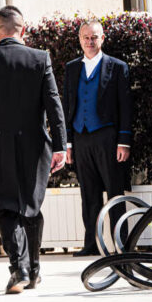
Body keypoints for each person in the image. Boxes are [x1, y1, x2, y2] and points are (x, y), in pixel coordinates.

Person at [0, 6, 67, 294]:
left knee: (7, 207)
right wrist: (60, 147)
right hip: (35, 145)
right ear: (22, 29)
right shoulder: (39, 59)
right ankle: (33, 270)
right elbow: (54, 107)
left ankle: (19, 270)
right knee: (31, 207)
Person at [63, 20, 133, 256]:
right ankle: (91, 245)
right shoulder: (71, 68)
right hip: (81, 139)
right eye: (86, 38)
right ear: (80, 40)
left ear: (102, 39)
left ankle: (121, 244)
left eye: (94, 37)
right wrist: (68, 143)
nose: (90, 42)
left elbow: (125, 106)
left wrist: (124, 140)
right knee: (89, 194)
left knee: (115, 191)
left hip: (108, 137)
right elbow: (67, 107)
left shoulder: (117, 66)